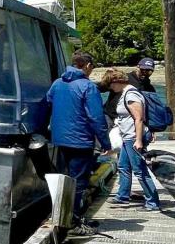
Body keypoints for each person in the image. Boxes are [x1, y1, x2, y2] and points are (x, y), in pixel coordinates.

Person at [44, 51, 111, 224]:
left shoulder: (57, 83)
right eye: (92, 66)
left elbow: (48, 102)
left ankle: (61, 216)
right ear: (87, 65)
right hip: (80, 140)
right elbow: (96, 118)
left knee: (63, 179)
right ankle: (73, 221)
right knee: (79, 182)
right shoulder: (88, 87)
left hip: (59, 139)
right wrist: (105, 143)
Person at [106, 71, 161, 212]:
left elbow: (139, 118)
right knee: (123, 166)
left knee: (139, 170)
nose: (110, 87)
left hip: (133, 137)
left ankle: (153, 202)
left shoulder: (131, 95)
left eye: (111, 84)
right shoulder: (125, 93)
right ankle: (122, 196)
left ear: (118, 81)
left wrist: (138, 140)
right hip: (127, 137)